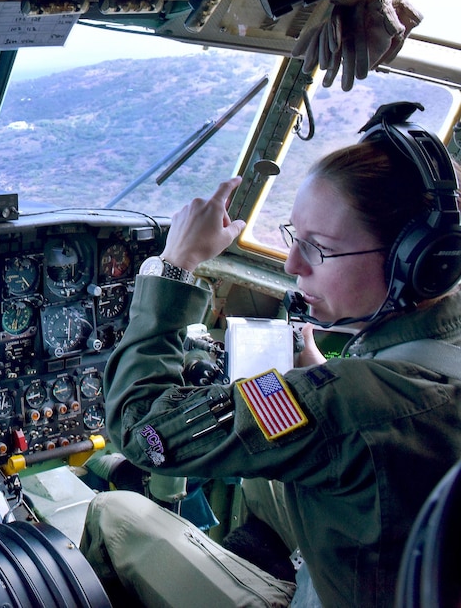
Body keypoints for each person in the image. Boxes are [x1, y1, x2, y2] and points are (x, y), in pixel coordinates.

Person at [79, 102, 461, 608]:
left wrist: (174, 265)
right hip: (408, 557)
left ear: (415, 263)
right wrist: (323, 375)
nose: (294, 265)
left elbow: (144, 429)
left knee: (115, 514)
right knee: (262, 481)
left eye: (319, 248)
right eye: (293, 237)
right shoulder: (423, 359)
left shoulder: (340, 402)